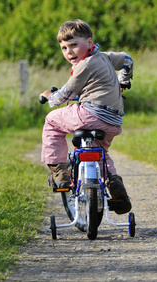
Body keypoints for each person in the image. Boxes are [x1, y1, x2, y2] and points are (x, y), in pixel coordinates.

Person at [39, 19, 133, 214]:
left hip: (90, 114)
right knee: (101, 154)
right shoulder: (105, 57)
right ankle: (115, 186)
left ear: (89, 43)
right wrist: (123, 81)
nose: (69, 52)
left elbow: (64, 95)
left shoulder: (84, 66)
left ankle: (59, 171)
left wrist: (49, 96)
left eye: (74, 45)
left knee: (51, 121)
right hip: (113, 121)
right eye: (64, 48)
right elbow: (127, 60)